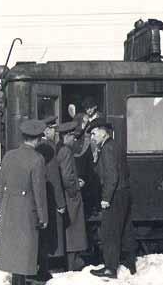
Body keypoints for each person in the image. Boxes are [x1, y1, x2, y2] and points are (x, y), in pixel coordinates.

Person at [0, 119, 48, 285]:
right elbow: (39, 192)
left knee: (13, 252)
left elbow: (0, 186)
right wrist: (43, 217)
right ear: (38, 138)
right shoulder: (37, 159)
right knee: (25, 253)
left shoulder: (9, 156)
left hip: (9, 208)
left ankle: (16, 281)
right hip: (27, 211)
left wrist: (1, 209)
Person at [87, 118, 136, 279]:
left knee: (109, 231)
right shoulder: (115, 145)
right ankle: (130, 264)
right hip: (124, 192)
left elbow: (111, 176)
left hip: (114, 194)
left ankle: (110, 268)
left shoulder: (107, 149)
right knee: (125, 229)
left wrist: (106, 198)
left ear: (102, 131)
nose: (92, 137)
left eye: (94, 133)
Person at [35, 116, 66, 281]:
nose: (56, 131)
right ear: (47, 130)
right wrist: (61, 203)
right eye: (54, 128)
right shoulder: (49, 149)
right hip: (48, 198)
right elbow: (54, 178)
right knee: (47, 236)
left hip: (38, 197)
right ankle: (44, 269)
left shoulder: (38, 146)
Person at [56, 121, 88, 271]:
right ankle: (72, 265)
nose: (75, 139)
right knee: (74, 231)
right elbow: (67, 176)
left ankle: (71, 264)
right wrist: (76, 187)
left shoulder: (60, 149)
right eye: (72, 136)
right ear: (66, 136)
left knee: (71, 232)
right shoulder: (67, 151)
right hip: (71, 197)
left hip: (66, 194)